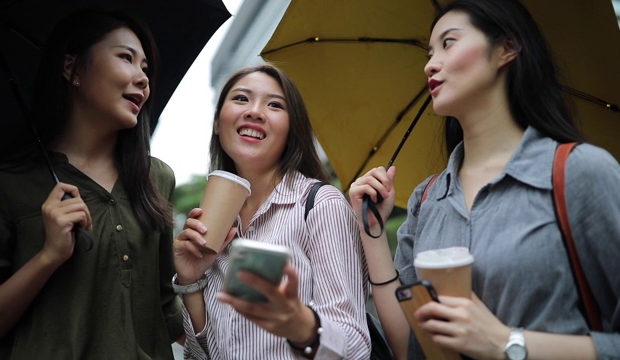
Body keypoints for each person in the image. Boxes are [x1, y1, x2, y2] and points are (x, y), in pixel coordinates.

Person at [349, 0, 620, 359]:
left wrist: (506, 342)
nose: (430, 63)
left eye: (449, 43)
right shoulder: (426, 199)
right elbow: (408, 348)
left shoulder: (580, 173)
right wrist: (373, 234)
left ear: (507, 48)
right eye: (430, 52)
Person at [0, 8, 183, 359]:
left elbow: (165, 311)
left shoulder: (157, 178)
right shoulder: (3, 184)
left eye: (146, 69)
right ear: (71, 68)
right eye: (126, 58)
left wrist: (199, 281)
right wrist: (48, 257)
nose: (142, 78)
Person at [173, 64, 371, 359]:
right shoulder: (212, 224)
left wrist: (302, 326)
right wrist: (190, 282)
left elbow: (356, 347)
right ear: (217, 123)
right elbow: (204, 355)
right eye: (241, 99)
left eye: (275, 105)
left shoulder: (320, 205)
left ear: (293, 129)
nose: (254, 111)